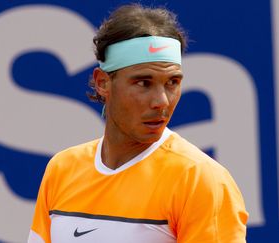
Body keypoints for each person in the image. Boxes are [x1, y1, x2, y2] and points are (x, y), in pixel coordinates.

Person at [28, 3, 248, 243]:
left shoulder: (202, 180)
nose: (161, 101)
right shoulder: (62, 169)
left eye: (172, 82)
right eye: (144, 83)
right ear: (103, 82)